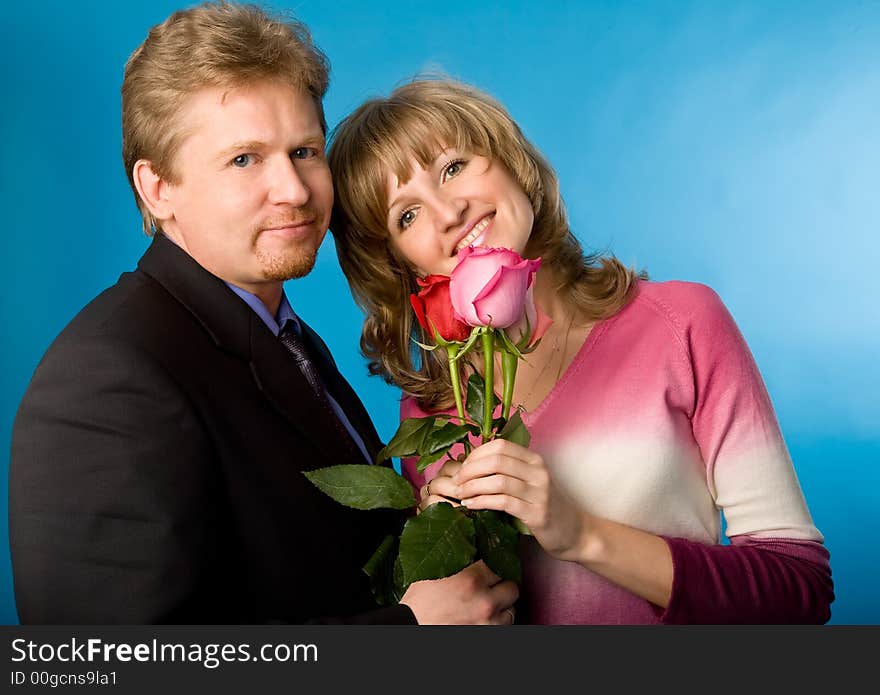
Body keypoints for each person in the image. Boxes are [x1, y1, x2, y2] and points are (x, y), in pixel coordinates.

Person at [8, 3, 518, 625]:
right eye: (244, 159)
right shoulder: (107, 379)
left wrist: (424, 520)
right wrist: (410, 634)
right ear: (157, 188)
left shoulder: (281, 334)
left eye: (304, 151)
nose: (295, 190)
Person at [326, 78, 835, 623]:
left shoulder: (682, 322)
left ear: (512, 163)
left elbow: (799, 588)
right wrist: (447, 543)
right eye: (406, 214)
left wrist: (582, 535)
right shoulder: (429, 412)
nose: (448, 212)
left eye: (453, 167)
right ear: (398, 264)